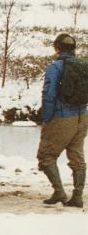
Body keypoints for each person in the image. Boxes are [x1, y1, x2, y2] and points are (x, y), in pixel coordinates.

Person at [37, 33, 87, 208]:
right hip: (83, 115)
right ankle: (77, 196)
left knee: (46, 156)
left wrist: (47, 118)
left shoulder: (55, 67)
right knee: (77, 157)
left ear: (57, 48)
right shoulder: (84, 65)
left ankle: (59, 191)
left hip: (61, 116)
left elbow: (48, 95)